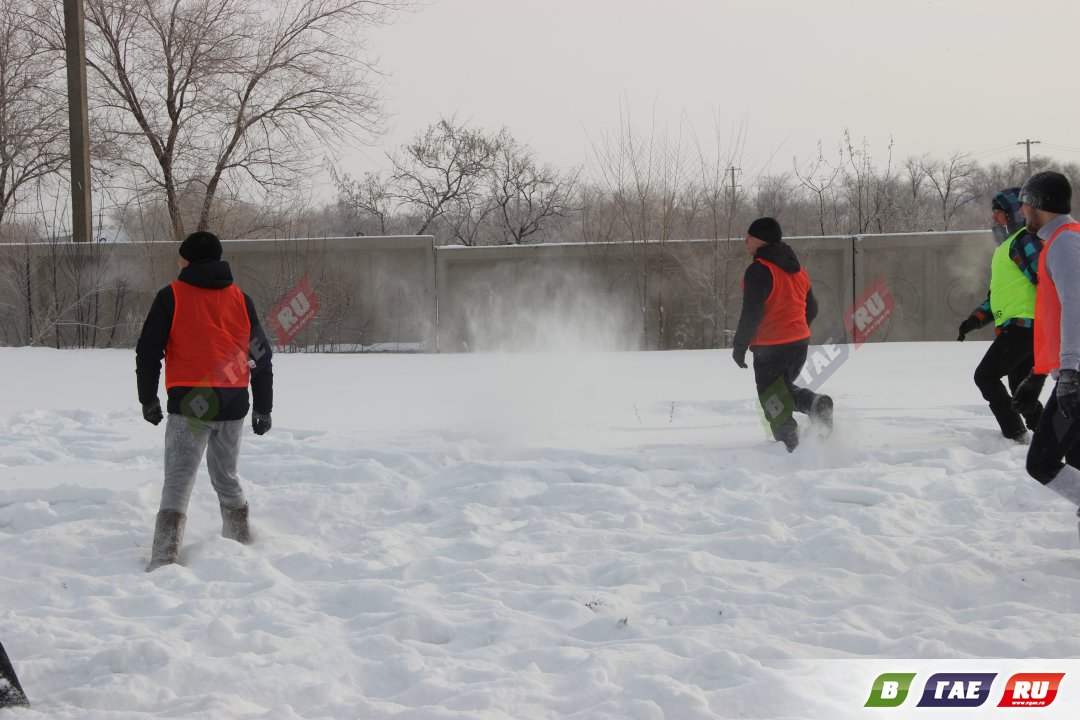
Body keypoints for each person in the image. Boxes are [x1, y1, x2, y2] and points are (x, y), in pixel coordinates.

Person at [136, 231, 274, 571]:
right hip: (233, 401)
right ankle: (240, 543)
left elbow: (149, 351)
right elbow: (260, 355)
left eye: (181, 257)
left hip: (191, 402)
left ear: (188, 260)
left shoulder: (172, 296)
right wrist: (263, 406)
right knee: (226, 475)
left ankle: (165, 559)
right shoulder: (241, 299)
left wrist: (148, 398)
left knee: (179, 480)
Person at [1012, 171, 1080, 530]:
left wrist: (1070, 373)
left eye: (1025, 201)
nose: (1021, 209)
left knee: (1042, 461)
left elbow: (1076, 307)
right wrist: (1036, 378)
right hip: (1072, 373)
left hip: (1078, 376)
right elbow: (1054, 323)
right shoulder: (1060, 242)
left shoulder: (1067, 243)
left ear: (1041, 204)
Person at [732, 217, 832, 452]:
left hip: (772, 346)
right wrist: (796, 328)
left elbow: (752, 312)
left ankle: (789, 445)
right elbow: (813, 309)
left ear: (762, 240)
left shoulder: (760, 270)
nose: (745, 241)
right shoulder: (799, 272)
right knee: (781, 390)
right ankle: (815, 406)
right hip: (799, 344)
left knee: (771, 397)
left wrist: (740, 345)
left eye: (750, 236)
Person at [957, 187, 1044, 440]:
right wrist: (974, 320)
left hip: (1024, 327)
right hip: (1023, 328)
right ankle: (1046, 434)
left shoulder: (1024, 240)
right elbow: (997, 296)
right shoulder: (1007, 247)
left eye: (999, 213)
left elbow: (1046, 279)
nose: (995, 218)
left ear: (1015, 213)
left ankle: (1016, 432)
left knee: (986, 376)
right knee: (1019, 386)